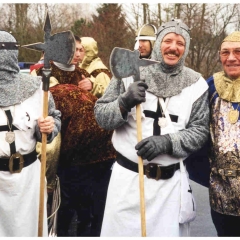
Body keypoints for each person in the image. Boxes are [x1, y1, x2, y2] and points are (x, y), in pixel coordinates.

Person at [94, 19, 209, 237]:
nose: (173, 47)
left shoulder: (197, 85)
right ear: (158, 43)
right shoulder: (129, 73)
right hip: (128, 183)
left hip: (170, 190)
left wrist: (168, 142)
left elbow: (200, 130)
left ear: (186, 49)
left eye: (180, 43)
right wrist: (123, 102)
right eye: (168, 40)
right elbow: (101, 117)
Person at [35, 35, 116, 237]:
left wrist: (93, 88)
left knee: (92, 212)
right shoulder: (44, 73)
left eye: (80, 49)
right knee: (63, 213)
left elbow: (100, 101)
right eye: (73, 48)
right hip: (67, 158)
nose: (77, 53)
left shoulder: (83, 73)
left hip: (97, 156)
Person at [0, 31, 61, 237]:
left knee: (29, 229)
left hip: (28, 178)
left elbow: (54, 118)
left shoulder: (36, 88)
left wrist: (47, 128)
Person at [206, 31, 240, 237]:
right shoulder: (210, 86)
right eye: (225, 52)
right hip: (221, 188)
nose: (231, 57)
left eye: (238, 52)